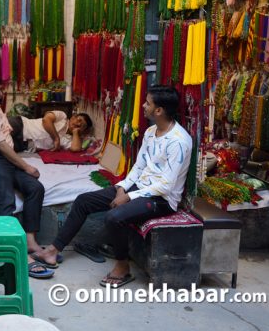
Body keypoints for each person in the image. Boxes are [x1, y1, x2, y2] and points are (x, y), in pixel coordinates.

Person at [31, 86, 192, 287]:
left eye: (147, 103)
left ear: (158, 110)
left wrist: (129, 197)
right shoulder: (151, 132)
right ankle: (53, 251)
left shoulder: (178, 141)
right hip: (140, 189)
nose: (143, 106)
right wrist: (122, 187)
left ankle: (122, 267)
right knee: (83, 201)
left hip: (161, 199)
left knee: (114, 217)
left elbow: (166, 185)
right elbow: (139, 166)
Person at [0, 76, 52, 279]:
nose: (1, 95)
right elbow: (0, 144)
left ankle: (30, 241)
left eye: (1, 90)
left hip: (4, 159)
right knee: (6, 199)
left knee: (35, 188)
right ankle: (15, 252)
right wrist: (26, 166)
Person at [9, 111, 94, 153]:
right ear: (73, 117)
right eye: (79, 120)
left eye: (82, 125)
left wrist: (76, 132)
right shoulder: (62, 117)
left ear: (83, 131)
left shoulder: (71, 140)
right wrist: (56, 138)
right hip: (21, 125)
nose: (78, 124)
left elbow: (75, 149)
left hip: (24, 144)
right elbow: (46, 119)